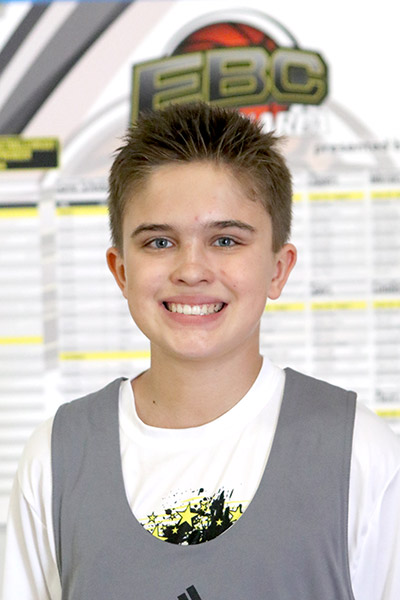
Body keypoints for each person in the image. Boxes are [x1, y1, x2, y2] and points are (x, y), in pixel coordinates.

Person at [1, 102, 400, 600]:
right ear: (121, 271)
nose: (191, 270)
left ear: (278, 269)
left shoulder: (359, 452)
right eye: (159, 242)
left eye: (226, 240)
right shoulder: (56, 461)